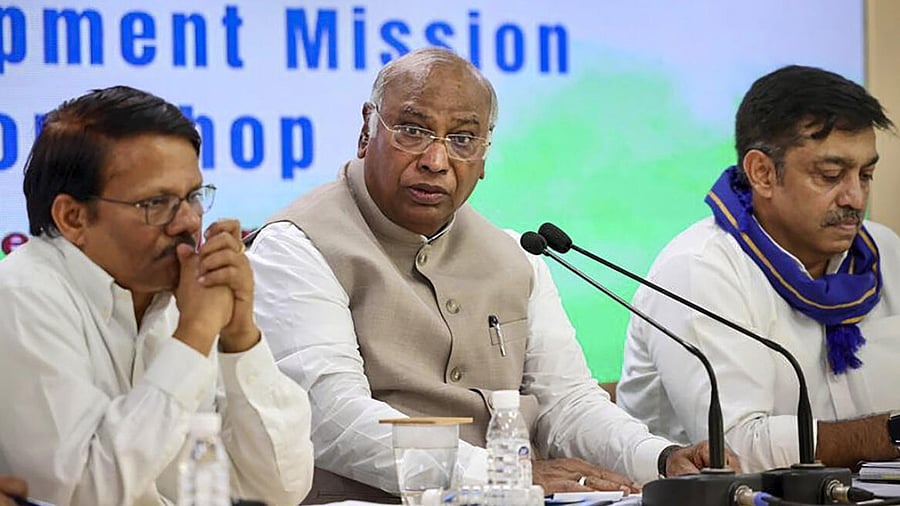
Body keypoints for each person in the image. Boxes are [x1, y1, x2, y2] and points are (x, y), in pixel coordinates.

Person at [248, 47, 734, 504]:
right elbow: (331, 420)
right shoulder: (297, 246)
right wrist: (503, 473)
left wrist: (662, 458)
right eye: (413, 131)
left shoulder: (517, 257)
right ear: (366, 129)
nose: (436, 161)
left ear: (483, 157)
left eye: (462, 139)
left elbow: (566, 404)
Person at [0, 86, 315, 506]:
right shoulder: (20, 301)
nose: (187, 221)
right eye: (156, 203)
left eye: (193, 197)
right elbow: (82, 492)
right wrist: (196, 335)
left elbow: (280, 488)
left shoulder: (176, 295)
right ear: (73, 217)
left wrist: (240, 336)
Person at [617, 65, 900, 472]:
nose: (855, 196)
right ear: (763, 174)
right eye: (831, 175)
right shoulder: (699, 269)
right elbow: (735, 447)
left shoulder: (884, 251)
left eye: (866, 174)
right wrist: (890, 434)